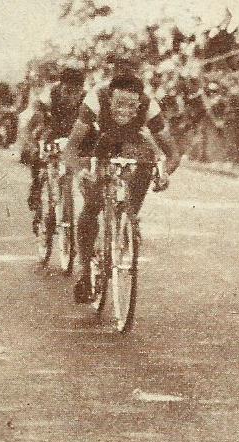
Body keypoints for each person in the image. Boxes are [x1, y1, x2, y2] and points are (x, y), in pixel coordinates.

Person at [63, 74, 181, 303]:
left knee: (142, 173)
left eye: (131, 106)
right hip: (97, 142)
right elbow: (70, 150)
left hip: (132, 145)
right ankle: (85, 272)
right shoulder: (95, 100)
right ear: (109, 99)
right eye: (119, 104)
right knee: (92, 206)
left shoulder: (150, 107)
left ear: (140, 103)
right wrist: (80, 171)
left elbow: (173, 155)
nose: (125, 112)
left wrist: (164, 173)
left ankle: (123, 227)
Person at [27, 67, 87, 228]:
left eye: (76, 92)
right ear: (60, 86)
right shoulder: (49, 94)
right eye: (68, 91)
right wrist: (36, 142)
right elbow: (34, 119)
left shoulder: (86, 97)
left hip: (74, 133)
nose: (72, 97)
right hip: (53, 128)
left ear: (82, 90)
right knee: (38, 154)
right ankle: (36, 188)